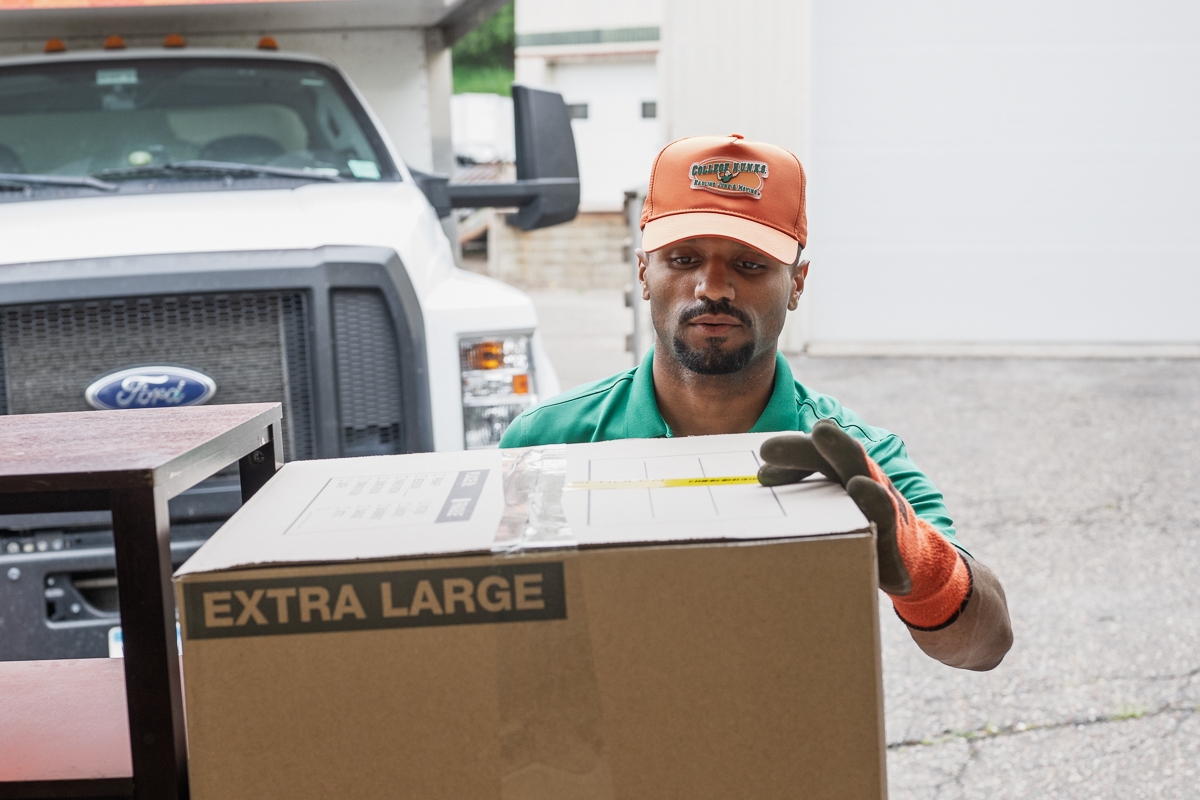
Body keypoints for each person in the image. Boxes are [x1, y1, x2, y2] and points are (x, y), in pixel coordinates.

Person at [500, 134, 1012, 671]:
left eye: (749, 265)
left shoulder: (853, 459)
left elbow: (984, 646)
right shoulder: (547, 442)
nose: (712, 288)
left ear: (796, 284)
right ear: (644, 272)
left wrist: (920, 564)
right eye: (683, 257)